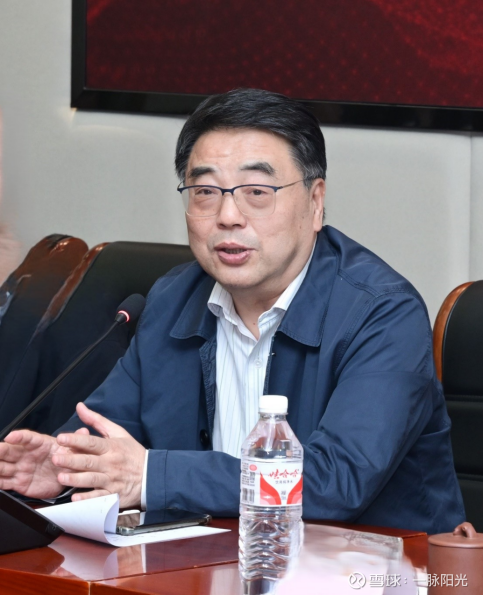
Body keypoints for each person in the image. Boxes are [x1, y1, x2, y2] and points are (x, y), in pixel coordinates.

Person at [0, 88, 465, 533]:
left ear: (315, 202)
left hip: (379, 570)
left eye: (257, 192)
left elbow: (336, 481)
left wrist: (153, 476)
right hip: (211, 566)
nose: (228, 216)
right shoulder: (171, 300)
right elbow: (110, 431)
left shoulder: (382, 313)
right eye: (205, 192)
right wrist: (63, 466)